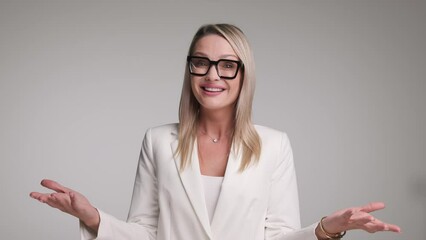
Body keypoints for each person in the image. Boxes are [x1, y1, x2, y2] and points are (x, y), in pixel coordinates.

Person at [30, 23, 401, 240]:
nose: (212, 75)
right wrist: (93, 216)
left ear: (243, 73)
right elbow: (145, 233)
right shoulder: (158, 141)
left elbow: (279, 239)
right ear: (189, 69)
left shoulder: (274, 145)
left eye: (226, 65)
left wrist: (324, 229)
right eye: (201, 62)